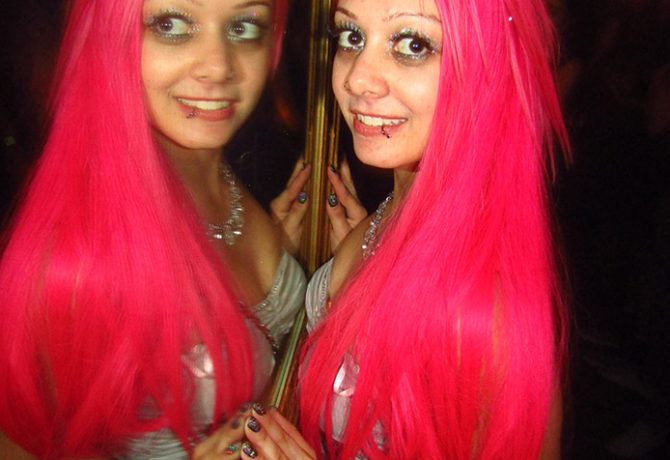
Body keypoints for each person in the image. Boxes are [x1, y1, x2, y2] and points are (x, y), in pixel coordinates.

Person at [230, 0, 570, 458]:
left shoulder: (481, 313)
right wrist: (365, 258)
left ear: (488, 64)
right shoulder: (396, 210)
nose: (356, 79)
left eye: (412, 44)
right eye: (351, 37)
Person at [0, 0, 309, 458]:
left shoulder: (217, 167)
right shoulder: (73, 261)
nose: (219, 67)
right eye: (171, 24)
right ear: (111, 38)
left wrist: (292, 255)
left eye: (244, 26)